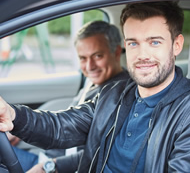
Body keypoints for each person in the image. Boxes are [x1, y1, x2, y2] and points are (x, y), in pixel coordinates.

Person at [0, 1, 190, 172]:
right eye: (133, 43)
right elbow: (60, 126)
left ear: (176, 45)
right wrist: (13, 114)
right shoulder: (114, 94)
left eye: (154, 42)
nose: (142, 54)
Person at [11, 20, 129, 172]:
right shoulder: (94, 81)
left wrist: (50, 167)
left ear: (117, 52)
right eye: (83, 58)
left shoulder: (121, 95)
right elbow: (66, 121)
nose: (89, 66)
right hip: (48, 155)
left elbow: (104, 153)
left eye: (98, 56)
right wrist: (18, 130)